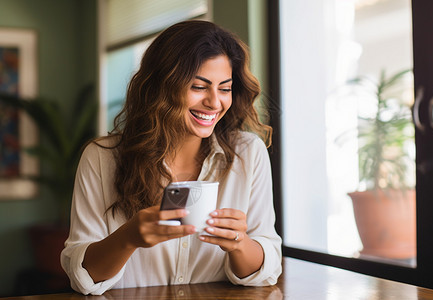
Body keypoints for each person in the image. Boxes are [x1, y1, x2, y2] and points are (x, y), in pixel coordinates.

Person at [61, 20, 282, 295]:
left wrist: (239, 242)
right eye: (199, 87)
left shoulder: (249, 153)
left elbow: (267, 270)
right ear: (162, 86)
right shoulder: (101, 158)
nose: (215, 102)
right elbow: (82, 278)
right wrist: (129, 237)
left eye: (224, 88)